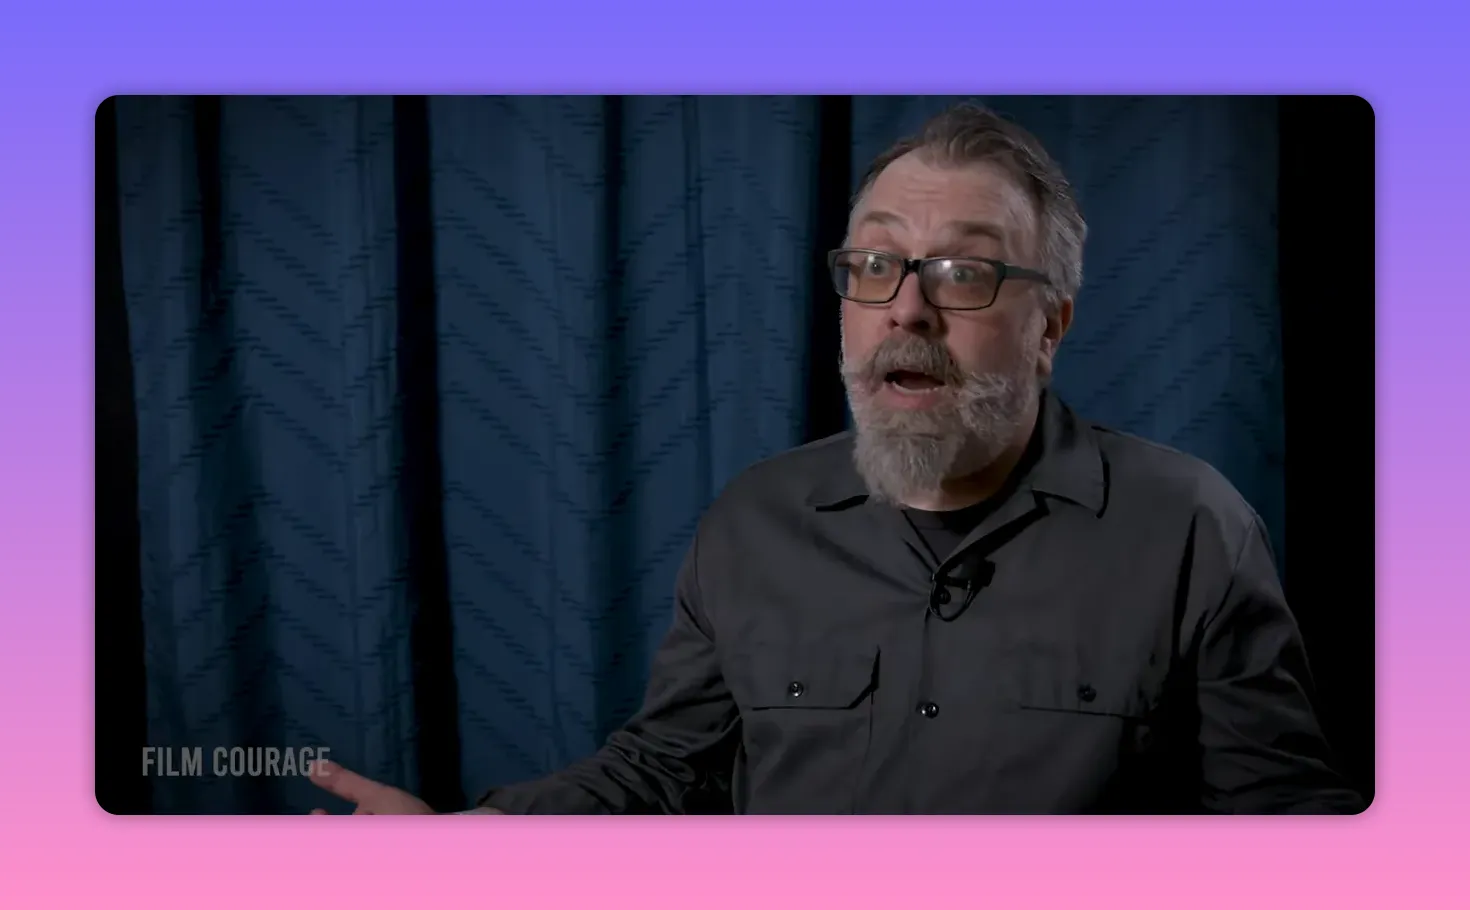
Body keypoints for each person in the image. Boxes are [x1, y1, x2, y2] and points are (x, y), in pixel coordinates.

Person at [309, 103, 1364, 815]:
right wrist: (465, 843)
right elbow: (659, 773)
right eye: (874, 262)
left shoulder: (1191, 526)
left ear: (1052, 325)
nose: (905, 308)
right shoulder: (755, 518)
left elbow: (1288, 843)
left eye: (962, 272)